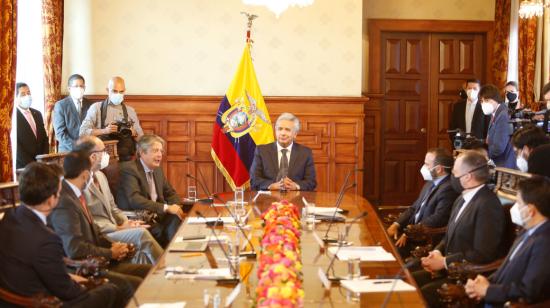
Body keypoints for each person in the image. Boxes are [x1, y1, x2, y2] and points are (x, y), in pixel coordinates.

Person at [0, 162, 120, 307]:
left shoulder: (9, 217)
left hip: (11, 298)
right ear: (51, 200)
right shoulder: (47, 240)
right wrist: (86, 285)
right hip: (42, 302)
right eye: (59, 193)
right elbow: (65, 290)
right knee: (111, 290)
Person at [48, 151, 151, 305]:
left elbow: (95, 232)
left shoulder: (77, 194)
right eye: (90, 172)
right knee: (133, 284)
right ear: (85, 174)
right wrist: (110, 252)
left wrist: (114, 245)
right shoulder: (65, 201)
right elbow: (74, 249)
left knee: (149, 272)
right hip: (84, 269)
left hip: (98, 260)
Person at [412, 151, 507, 307]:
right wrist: (436, 252)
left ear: (468, 176)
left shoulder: (487, 205)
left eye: (455, 173)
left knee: (421, 292)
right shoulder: (462, 198)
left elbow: (483, 253)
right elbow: (448, 234)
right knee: (406, 278)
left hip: (467, 276)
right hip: (449, 269)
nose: (452, 177)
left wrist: (444, 262)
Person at [75, 136, 164, 264]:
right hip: (102, 235)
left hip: (116, 227)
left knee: (141, 250)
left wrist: (128, 222)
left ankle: (148, 279)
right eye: (103, 151)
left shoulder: (100, 175)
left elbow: (113, 207)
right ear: (93, 156)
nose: (106, 155)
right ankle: (165, 267)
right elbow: (89, 221)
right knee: (141, 234)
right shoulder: (79, 182)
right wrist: (118, 228)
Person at [465, 176, 550, 306]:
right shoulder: (527, 230)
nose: (515, 207)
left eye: (519, 203)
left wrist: (488, 290)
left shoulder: (545, 242)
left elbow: (528, 291)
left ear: (530, 211)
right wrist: (483, 283)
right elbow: (507, 267)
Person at [387, 148, 458, 258]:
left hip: (422, 239)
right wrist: (397, 224)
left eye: (427, 164)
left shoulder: (449, 188)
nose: (424, 168)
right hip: (409, 231)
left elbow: (438, 218)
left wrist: (410, 232)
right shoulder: (430, 183)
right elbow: (414, 208)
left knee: (390, 253)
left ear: (439, 169)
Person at [116, 135, 184, 247]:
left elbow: (171, 194)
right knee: (161, 231)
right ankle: (170, 253)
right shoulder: (129, 169)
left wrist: (175, 206)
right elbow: (135, 199)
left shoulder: (157, 171)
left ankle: (174, 250)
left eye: (161, 151)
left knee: (175, 217)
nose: (160, 155)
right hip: (137, 218)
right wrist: (166, 208)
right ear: (142, 152)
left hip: (155, 216)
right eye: (155, 151)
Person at [80, 76, 143, 161]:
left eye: (121, 91)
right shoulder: (97, 108)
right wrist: (105, 131)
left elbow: (141, 140)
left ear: (124, 91)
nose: (118, 94)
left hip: (125, 158)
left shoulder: (130, 111)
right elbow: (82, 132)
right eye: (114, 91)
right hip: (102, 158)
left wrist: (133, 133)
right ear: (107, 90)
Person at [250, 112, 317, 191]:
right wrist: (271, 186)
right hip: (268, 199)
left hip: (295, 200)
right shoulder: (262, 151)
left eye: (287, 130)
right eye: (280, 129)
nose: (283, 133)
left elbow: (311, 182)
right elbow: (254, 180)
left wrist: (296, 186)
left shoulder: (305, 153)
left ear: (295, 134)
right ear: (275, 131)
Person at [53, 74, 93, 152]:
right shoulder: (61, 105)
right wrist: (76, 147)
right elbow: (60, 134)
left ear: (84, 88)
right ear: (69, 88)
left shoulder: (90, 104)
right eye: (76, 86)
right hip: (67, 151)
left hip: (87, 150)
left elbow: (93, 127)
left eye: (81, 86)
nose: (79, 88)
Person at [479, 84, 516, 168]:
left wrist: (484, 155)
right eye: (482, 101)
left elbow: (498, 148)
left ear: (496, 98)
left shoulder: (503, 115)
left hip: (503, 165)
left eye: (487, 100)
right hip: (499, 163)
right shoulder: (495, 114)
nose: (484, 103)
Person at [14, 82, 49, 169]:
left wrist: (43, 160)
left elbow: (44, 138)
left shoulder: (37, 113)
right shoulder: (12, 118)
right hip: (24, 167)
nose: (27, 96)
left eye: (28, 93)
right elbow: (16, 146)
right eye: (23, 94)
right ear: (15, 98)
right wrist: (32, 165)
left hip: (42, 164)